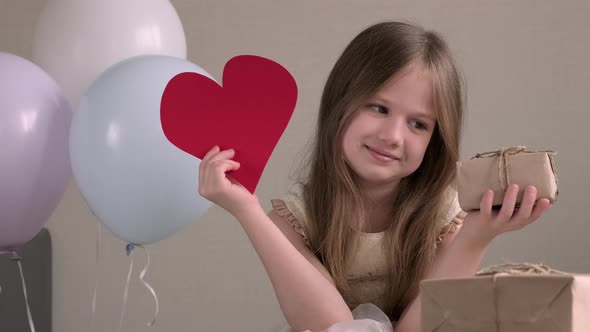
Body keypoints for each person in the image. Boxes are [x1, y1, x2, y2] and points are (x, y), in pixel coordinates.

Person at [197, 21, 552, 332]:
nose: (393, 136)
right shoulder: (295, 221)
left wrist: (475, 236)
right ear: (340, 103)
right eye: (379, 108)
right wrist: (248, 212)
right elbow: (338, 328)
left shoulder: (445, 217)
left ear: (435, 140)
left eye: (418, 124)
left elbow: (418, 329)